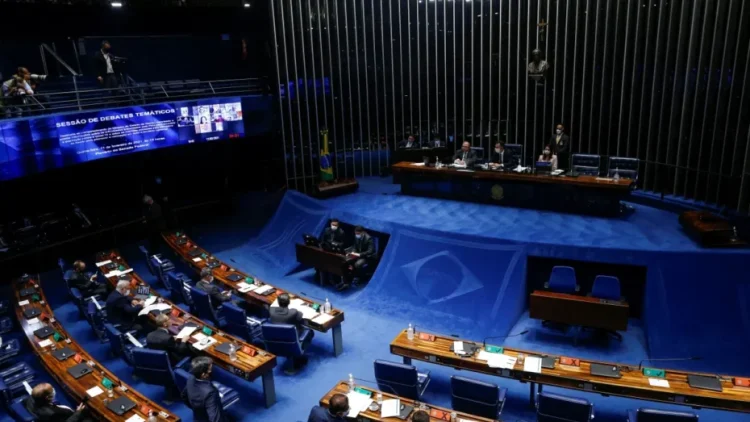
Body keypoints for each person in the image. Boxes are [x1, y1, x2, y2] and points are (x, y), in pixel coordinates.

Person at [182, 357, 227, 422]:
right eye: (209, 370)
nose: (211, 371)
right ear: (203, 375)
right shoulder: (210, 392)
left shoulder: (190, 379)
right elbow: (215, 419)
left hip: (198, 416)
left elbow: (184, 396)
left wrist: (195, 408)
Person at [23, 383, 87, 422]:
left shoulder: (30, 399)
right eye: (52, 390)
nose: (53, 390)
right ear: (47, 397)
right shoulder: (52, 414)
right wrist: (78, 412)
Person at [338, 226, 376, 291]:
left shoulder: (369, 238)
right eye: (356, 233)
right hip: (357, 254)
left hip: (366, 256)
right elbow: (355, 246)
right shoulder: (356, 237)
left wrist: (360, 254)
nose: (357, 235)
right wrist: (352, 252)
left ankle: (359, 278)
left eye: (358, 233)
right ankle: (346, 281)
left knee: (357, 264)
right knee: (346, 260)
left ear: (363, 232)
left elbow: (371, 251)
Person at [319, 219, 346, 285]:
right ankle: (322, 281)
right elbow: (323, 241)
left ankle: (333, 281)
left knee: (333, 266)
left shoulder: (341, 232)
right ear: (330, 224)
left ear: (338, 225)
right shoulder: (327, 230)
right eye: (332, 225)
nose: (334, 226)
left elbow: (342, 244)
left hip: (335, 252)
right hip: (326, 250)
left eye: (335, 225)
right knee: (321, 265)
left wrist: (335, 244)